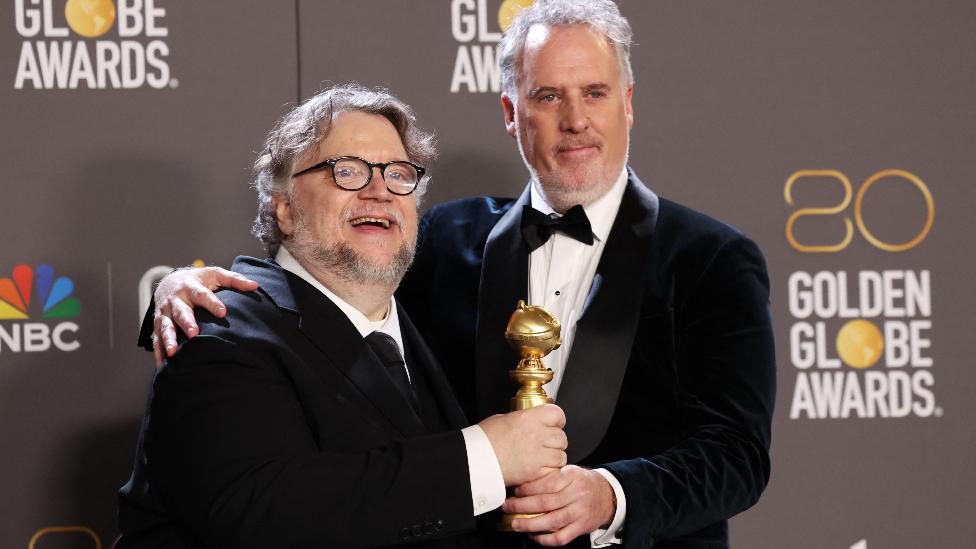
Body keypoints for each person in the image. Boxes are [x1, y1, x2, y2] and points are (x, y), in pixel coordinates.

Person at [142, 1, 776, 547]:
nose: (575, 119)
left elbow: (737, 456)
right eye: (548, 95)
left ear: (628, 104)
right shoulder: (444, 237)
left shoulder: (711, 258)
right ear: (511, 110)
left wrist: (612, 497)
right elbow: (323, 291)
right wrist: (179, 292)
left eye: (595, 93)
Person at [118, 84, 571, 549]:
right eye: (347, 171)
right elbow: (263, 510)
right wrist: (483, 458)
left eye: (399, 174)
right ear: (285, 208)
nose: (379, 190)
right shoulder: (220, 333)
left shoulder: (423, 323)